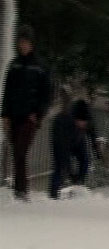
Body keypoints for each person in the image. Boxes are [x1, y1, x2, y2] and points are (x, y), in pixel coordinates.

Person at [1, 25, 51, 201]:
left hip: (30, 117)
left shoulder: (40, 67)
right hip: (14, 115)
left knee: (21, 151)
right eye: (20, 42)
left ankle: (21, 190)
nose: (23, 45)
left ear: (32, 44)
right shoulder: (14, 65)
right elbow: (7, 92)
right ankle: (18, 189)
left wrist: (38, 114)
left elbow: (47, 94)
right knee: (16, 152)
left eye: (26, 42)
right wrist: (5, 115)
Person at [49, 99, 101, 199]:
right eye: (80, 122)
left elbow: (93, 136)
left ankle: (79, 186)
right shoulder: (62, 122)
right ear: (74, 118)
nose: (83, 124)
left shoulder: (88, 120)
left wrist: (97, 152)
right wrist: (71, 173)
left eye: (85, 122)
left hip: (78, 141)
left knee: (85, 159)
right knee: (60, 166)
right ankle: (53, 194)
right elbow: (63, 153)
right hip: (61, 142)